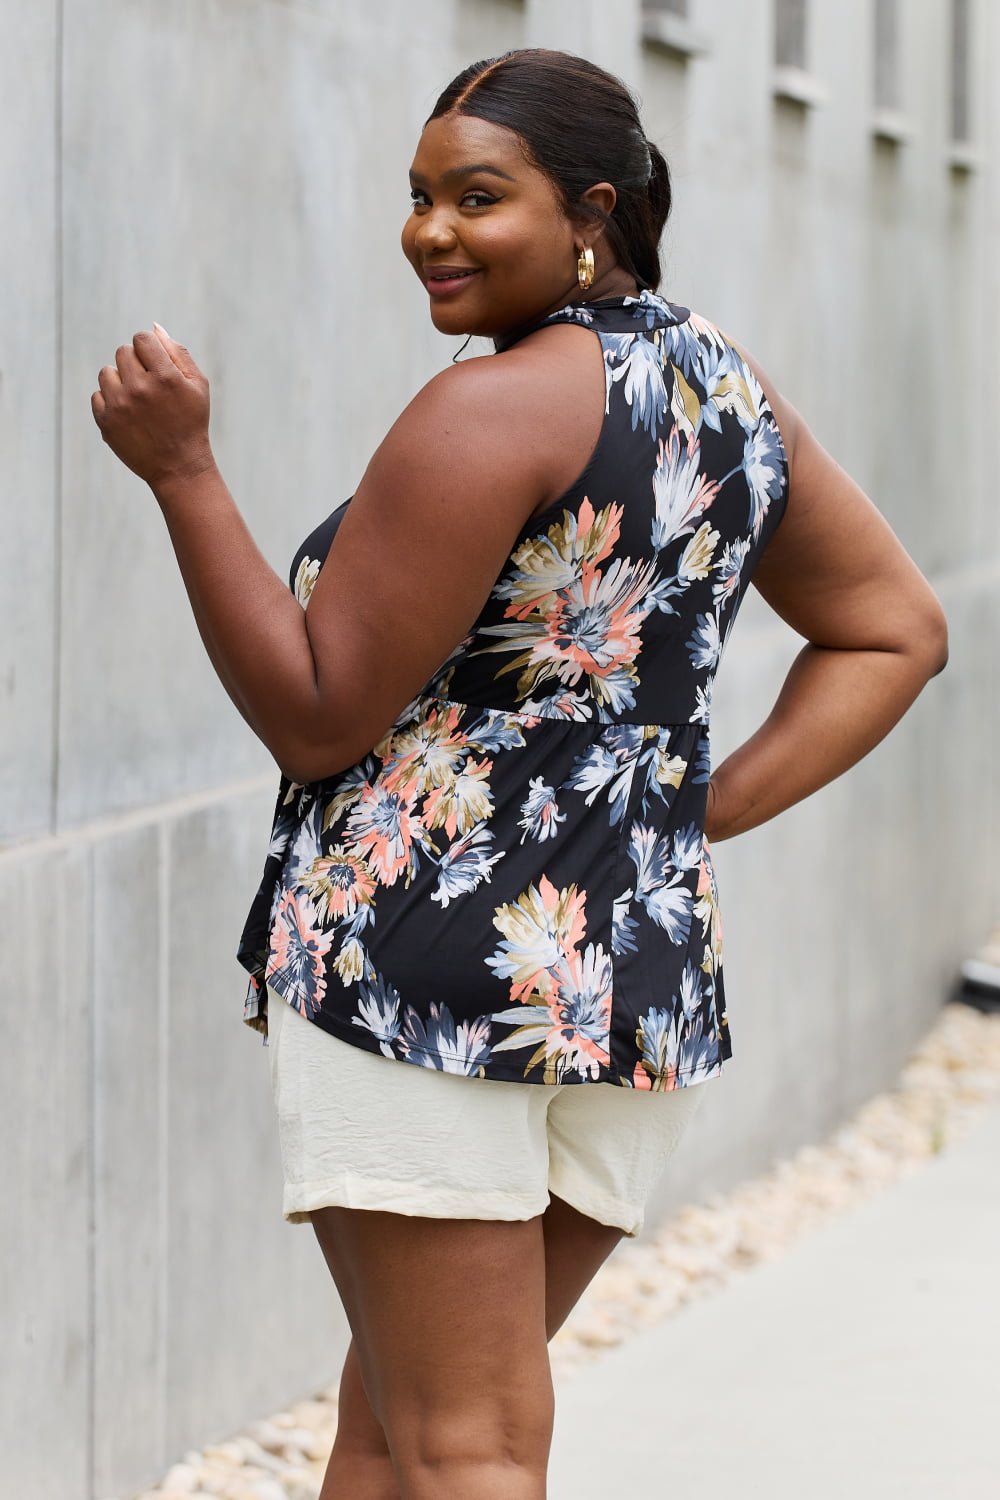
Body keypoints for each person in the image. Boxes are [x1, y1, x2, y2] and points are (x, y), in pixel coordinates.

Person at [91, 45, 947, 1500]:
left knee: (466, 1447)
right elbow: (893, 631)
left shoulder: (485, 413)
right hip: (625, 984)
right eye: (418, 196)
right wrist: (681, 821)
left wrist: (185, 475)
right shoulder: (719, 389)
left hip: (432, 981)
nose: (431, 230)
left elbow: (315, 714)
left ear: (591, 211)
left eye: (478, 197)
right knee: (398, 1428)